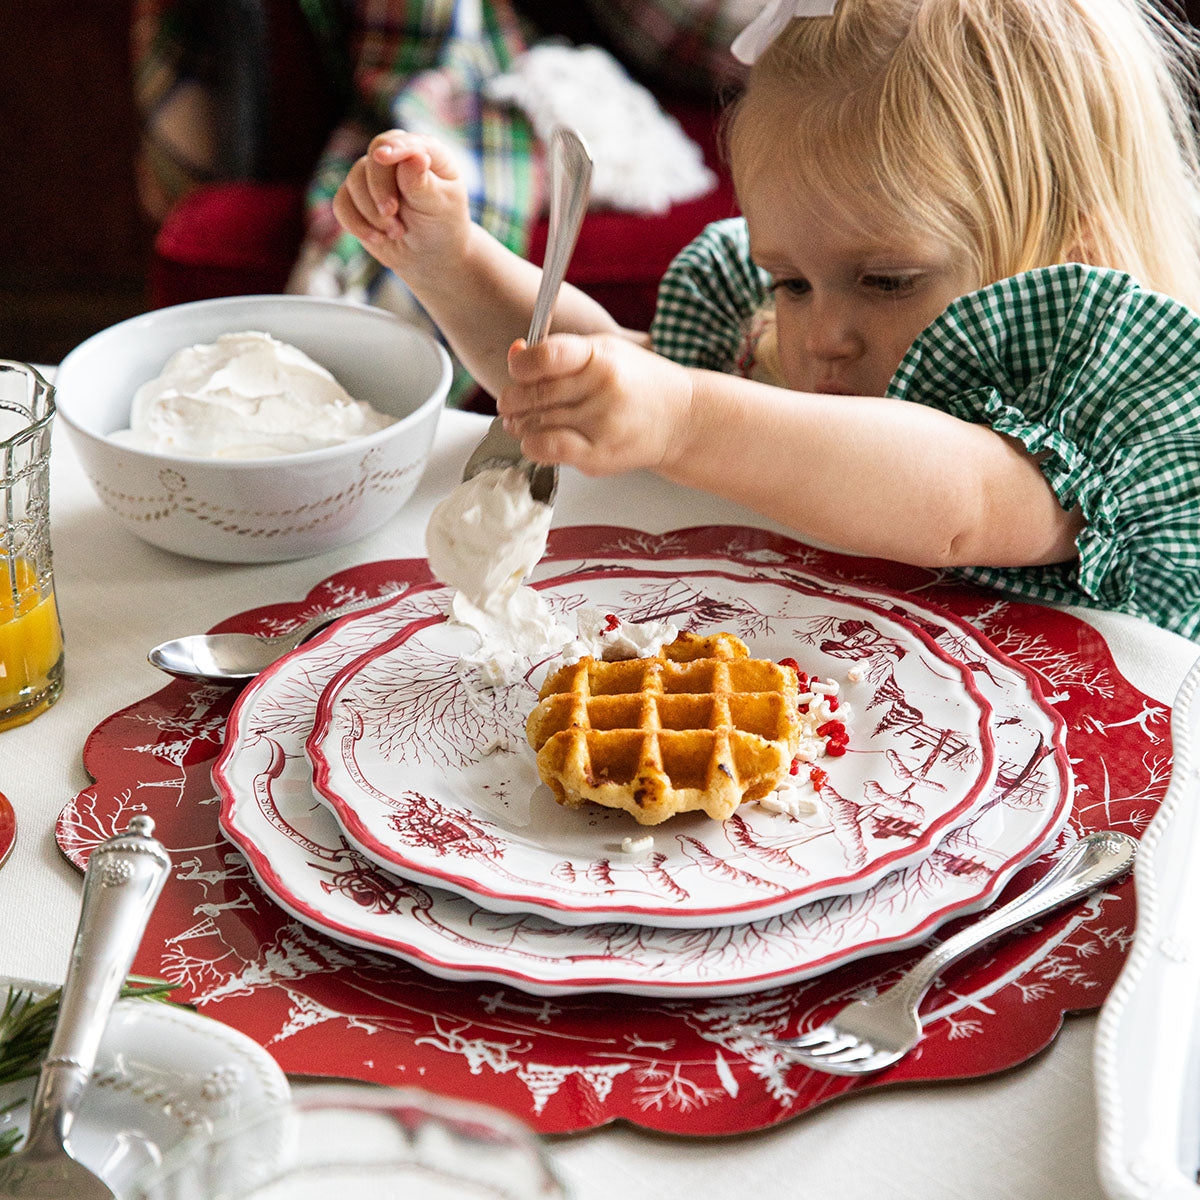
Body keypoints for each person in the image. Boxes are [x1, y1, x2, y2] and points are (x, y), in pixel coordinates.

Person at [333, 0, 1200, 639]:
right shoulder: (778, 344)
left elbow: (957, 502)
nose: (821, 334)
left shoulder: (1102, 419)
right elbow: (585, 373)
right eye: (789, 281)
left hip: (1087, 803)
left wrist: (682, 417)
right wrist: (450, 260)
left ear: (1068, 257)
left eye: (887, 280)